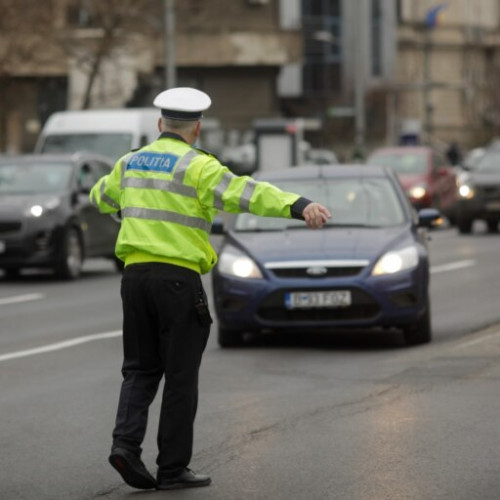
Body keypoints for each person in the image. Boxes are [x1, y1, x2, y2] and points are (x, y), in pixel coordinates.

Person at [89, 87, 332, 491]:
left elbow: (101, 197)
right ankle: (171, 469)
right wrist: (298, 204)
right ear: (197, 128)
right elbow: (246, 194)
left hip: (134, 279)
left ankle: (125, 446)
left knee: (139, 369)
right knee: (180, 376)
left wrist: (123, 206)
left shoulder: (128, 164)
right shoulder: (198, 167)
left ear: (159, 124)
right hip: (178, 280)